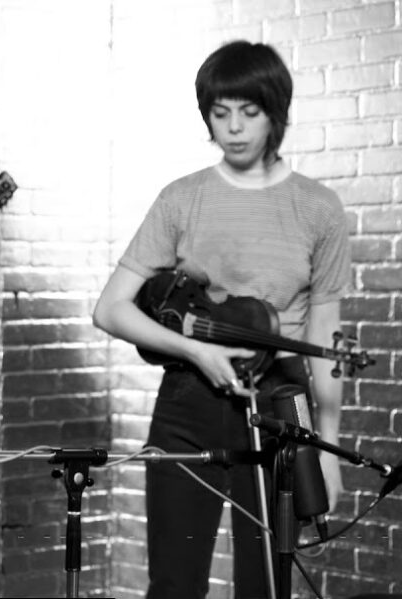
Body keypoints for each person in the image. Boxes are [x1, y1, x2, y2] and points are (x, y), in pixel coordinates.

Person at [93, 40, 349, 598]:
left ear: (276, 113)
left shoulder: (318, 209)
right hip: (190, 401)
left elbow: (323, 338)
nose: (233, 128)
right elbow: (109, 308)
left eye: (249, 112)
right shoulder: (182, 199)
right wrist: (194, 351)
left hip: (280, 405)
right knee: (175, 584)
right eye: (219, 112)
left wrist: (327, 453)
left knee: (266, 588)